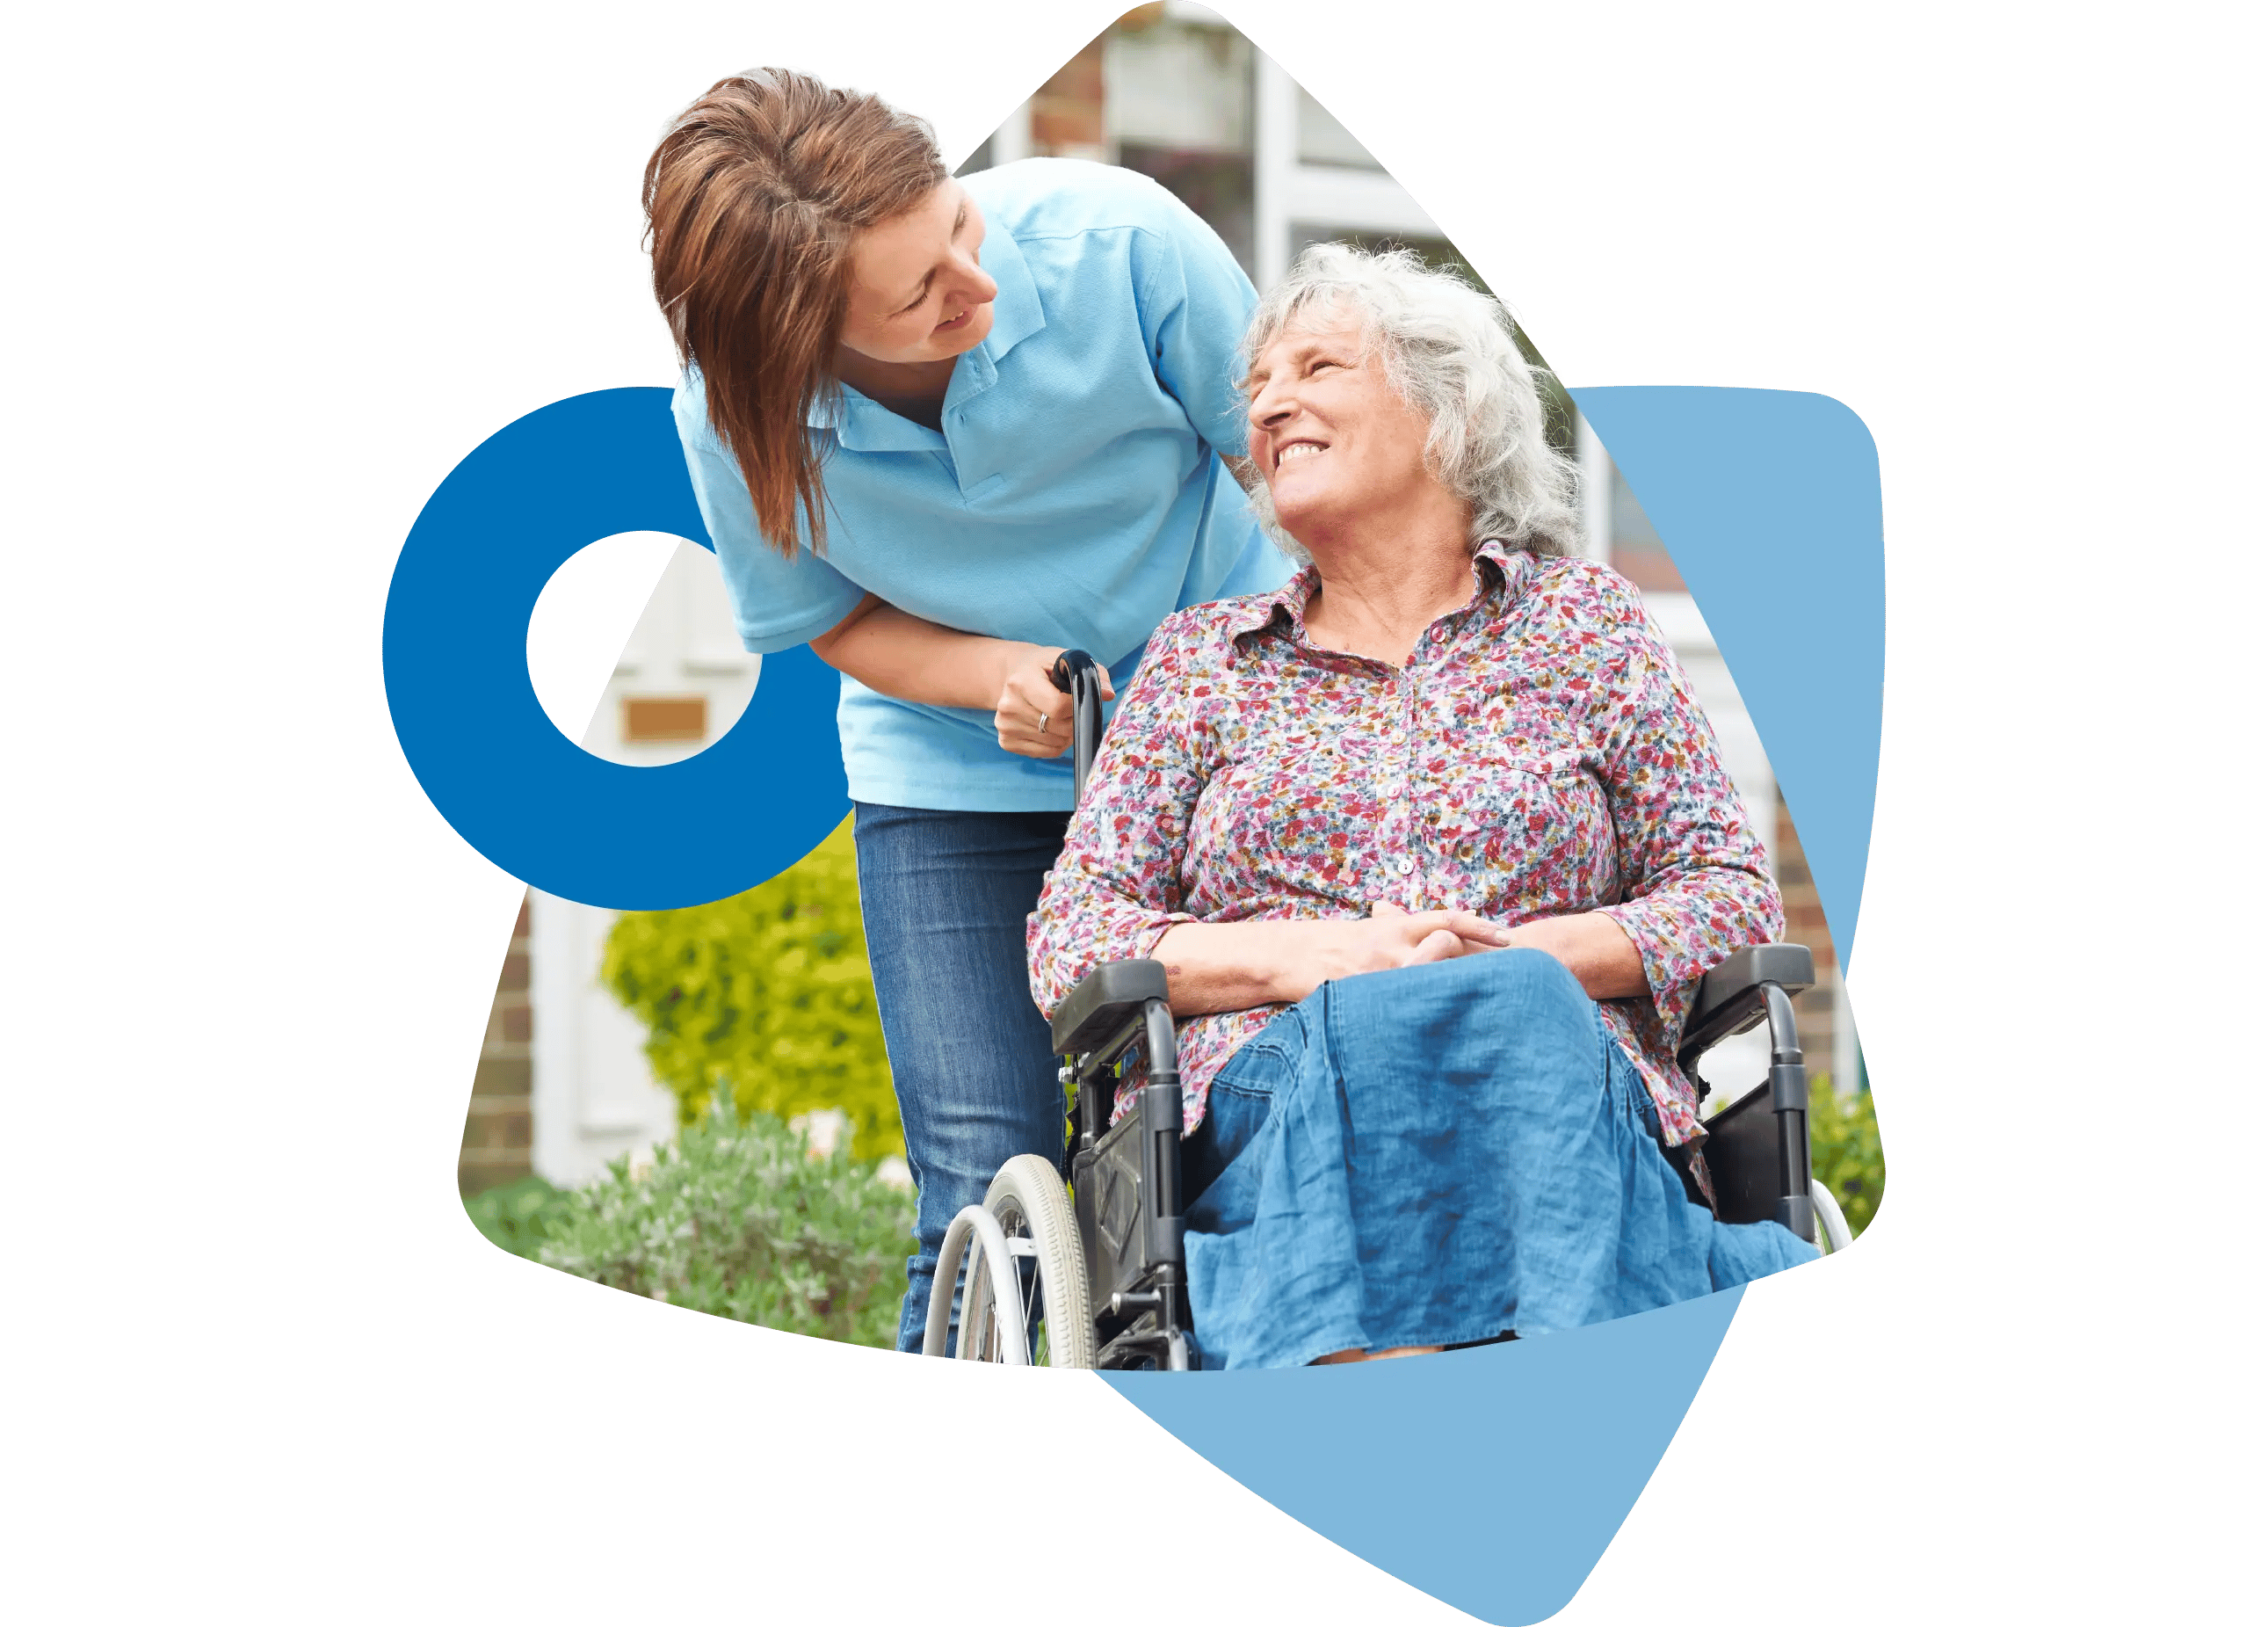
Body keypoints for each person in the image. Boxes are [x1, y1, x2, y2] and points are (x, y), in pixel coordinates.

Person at [1026, 244, 1816, 1369]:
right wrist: (1318, 959)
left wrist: (1525, 964)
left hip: (1556, 1102)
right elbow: (1071, 938)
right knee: (1374, 1027)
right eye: (1258, 388)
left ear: (1448, 411)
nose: (1268, 405)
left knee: (1504, 1010)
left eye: (1317, 367)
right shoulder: (1206, 661)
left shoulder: (1585, 627)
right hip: (1278, 1089)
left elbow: (1732, 899)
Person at [638, 65, 1288, 1352]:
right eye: (919, 296)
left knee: (1238, 1146)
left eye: (958, 230)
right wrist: (991, 673)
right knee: (986, 1201)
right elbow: (831, 619)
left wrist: (1270, 694)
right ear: (797, 349)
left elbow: (1298, 468)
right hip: (957, 791)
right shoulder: (733, 422)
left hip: (1228, 750)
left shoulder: (1125, 246)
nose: (972, 288)